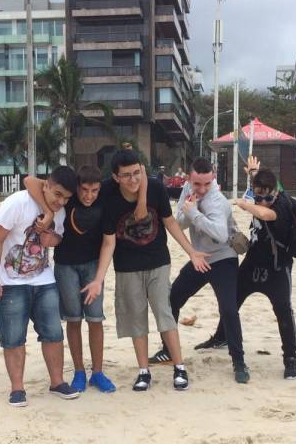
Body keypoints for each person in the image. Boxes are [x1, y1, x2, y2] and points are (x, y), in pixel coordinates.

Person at [82, 149, 209, 391]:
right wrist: (99, 279)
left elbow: (170, 222)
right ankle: (144, 370)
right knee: (135, 318)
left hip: (158, 261)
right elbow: (109, 241)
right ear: (116, 177)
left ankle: (179, 366)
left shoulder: (156, 188)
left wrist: (191, 252)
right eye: (126, 176)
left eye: (136, 173)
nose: (133, 180)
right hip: (126, 266)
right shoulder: (107, 193)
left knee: (165, 313)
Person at [196, 156, 296, 380]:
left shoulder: (281, 206)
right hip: (253, 262)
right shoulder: (261, 195)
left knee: (283, 310)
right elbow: (259, 194)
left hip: (277, 268)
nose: (261, 200)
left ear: (276, 192)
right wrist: (252, 174)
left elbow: (265, 213)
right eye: (257, 195)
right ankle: (221, 336)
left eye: (267, 196)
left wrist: (245, 204)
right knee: (230, 302)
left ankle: (291, 359)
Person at [0, 166, 81, 407]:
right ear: (46, 186)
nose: (61, 201)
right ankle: (17, 387)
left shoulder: (59, 212)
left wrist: (54, 239)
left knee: (53, 332)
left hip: (43, 278)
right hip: (11, 280)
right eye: (57, 194)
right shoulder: (17, 203)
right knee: (13, 336)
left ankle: (57, 381)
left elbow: (58, 236)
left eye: (66, 198)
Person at [148, 158, 249, 383]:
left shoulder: (218, 201)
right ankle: (167, 350)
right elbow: (180, 223)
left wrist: (193, 213)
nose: (202, 189)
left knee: (229, 309)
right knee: (172, 299)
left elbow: (220, 234)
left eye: (206, 184)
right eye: (197, 184)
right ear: (189, 179)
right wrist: (188, 210)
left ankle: (239, 361)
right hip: (199, 258)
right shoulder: (187, 189)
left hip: (224, 259)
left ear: (212, 178)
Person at [25, 166, 116, 394]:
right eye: (84, 190)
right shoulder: (70, 196)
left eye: (94, 190)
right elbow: (30, 180)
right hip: (65, 266)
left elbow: (108, 243)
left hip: (94, 266)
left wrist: (98, 279)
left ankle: (97, 372)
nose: (88, 195)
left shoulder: (104, 200)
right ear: (77, 188)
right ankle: (78, 371)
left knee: (95, 319)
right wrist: (48, 211)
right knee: (73, 319)